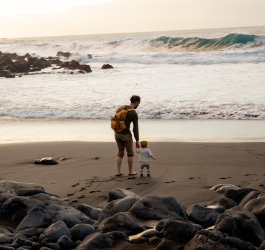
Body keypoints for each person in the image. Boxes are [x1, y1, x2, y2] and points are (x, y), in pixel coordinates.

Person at [113, 95, 141, 176]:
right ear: (136, 102)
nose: (138, 105)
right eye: (138, 103)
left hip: (117, 133)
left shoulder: (121, 108)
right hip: (126, 135)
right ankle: (130, 171)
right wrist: (137, 140)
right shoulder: (133, 113)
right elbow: (135, 128)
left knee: (120, 152)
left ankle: (118, 172)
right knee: (130, 153)